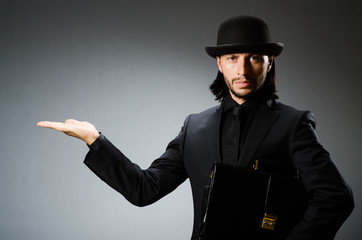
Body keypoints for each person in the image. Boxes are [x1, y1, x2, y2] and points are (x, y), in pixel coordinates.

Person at [38, 15, 354, 240]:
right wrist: (94, 140)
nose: (242, 69)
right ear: (219, 63)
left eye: (254, 57)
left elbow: (335, 196)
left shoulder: (293, 124)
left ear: (269, 61)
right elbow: (144, 189)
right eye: (232, 57)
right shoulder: (195, 127)